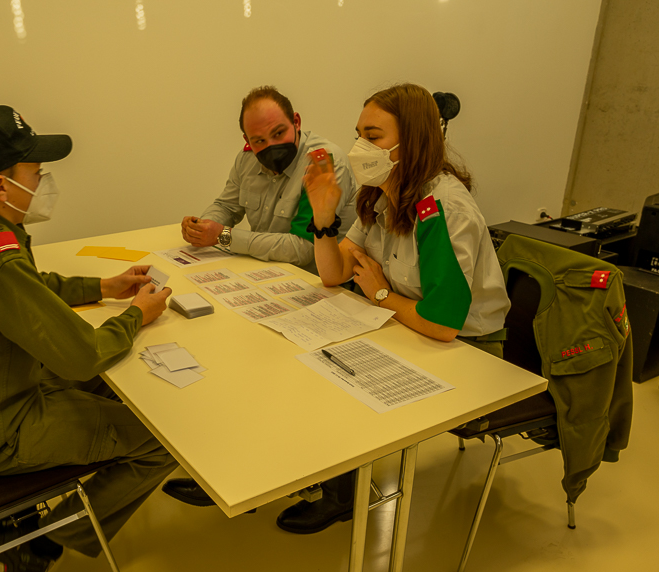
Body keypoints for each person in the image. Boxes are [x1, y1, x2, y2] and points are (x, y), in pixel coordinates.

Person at [0, 105, 179, 572]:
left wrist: (103, 286)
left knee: (115, 388)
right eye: (35, 171)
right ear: (0, 186)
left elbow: (30, 287)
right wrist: (137, 315)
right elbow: (82, 356)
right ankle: (40, 543)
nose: (43, 180)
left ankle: (30, 515)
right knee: (165, 441)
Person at [273, 83, 512, 534]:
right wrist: (323, 218)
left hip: (469, 351)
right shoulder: (384, 194)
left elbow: (443, 326)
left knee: (343, 378)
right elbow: (335, 272)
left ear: (413, 141)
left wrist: (382, 295)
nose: (359, 147)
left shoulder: (442, 208)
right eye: (359, 134)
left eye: (373, 136)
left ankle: (341, 495)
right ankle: (315, 477)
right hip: (410, 328)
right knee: (315, 360)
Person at [179, 86, 358, 275]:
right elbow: (227, 207)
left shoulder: (323, 165)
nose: (271, 146)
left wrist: (224, 236)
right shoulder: (247, 158)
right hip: (262, 273)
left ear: (296, 122)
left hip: (314, 281)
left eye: (278, 133)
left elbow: (303, 248)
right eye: (259, 141)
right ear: (247, 140)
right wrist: (202, 227)